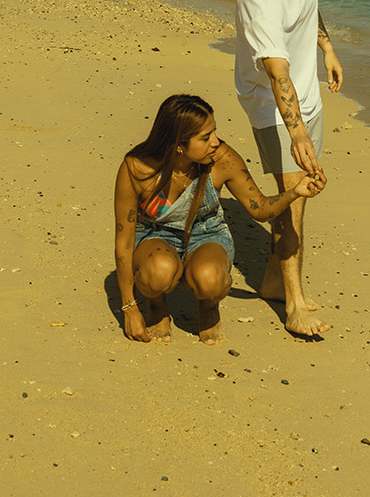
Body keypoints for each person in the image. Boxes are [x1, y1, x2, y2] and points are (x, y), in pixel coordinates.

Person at [113, 93, 326, 345]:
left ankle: (208, 306)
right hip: (155, 237)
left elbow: (259, 209)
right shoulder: (138, 170)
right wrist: (130, 308)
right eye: (205, 137)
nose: (215, 142)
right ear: (178, 144)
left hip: (207, 234)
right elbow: (124, 244)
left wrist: (295, 192)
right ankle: (157, 305)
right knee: (157, 273)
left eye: (214, 132)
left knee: (211, 279)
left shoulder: (222, 159)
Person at [234, 0, 343, 338]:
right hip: (271, 103)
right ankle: (294, 306)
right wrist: (296, 133)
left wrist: (327, 49)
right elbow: (277, 74)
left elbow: (310, 4)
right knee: (291, 198)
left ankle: (274, 283)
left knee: (300, 198)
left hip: (307, 93)